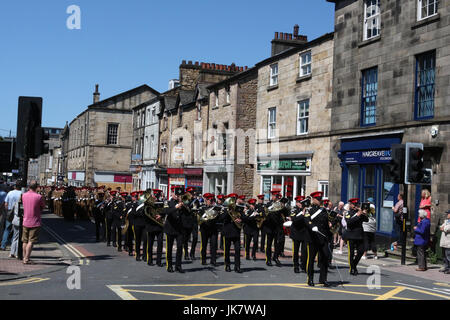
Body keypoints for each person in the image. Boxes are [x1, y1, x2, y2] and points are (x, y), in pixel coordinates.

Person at [304, 191, 332, 287]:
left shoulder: (324, 210)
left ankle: (323, 279)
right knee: (311, 259)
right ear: (313, 199)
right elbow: (307, 221)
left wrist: (329, 235)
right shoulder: (309, 210)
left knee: (325, 257)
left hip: (323, 238)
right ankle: (310, 279)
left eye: (321, 199)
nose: (320, 201)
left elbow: (326, 225)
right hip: (313, 238)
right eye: (318, 199)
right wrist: (312, 227)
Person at [342, 198, 369, 276]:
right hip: (350, 235)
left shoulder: (359, 213)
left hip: (359, 235)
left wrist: (364, 213)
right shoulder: (348, 213)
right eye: (353, 204)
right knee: (351, 253)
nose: (355, 206)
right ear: (350, 205)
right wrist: (358, 215)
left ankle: (354, 264)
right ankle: (352, 269)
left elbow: (366, 220)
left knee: (361, 251)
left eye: (356, 204)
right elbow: (349, 222)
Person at [21, 181, 45, 264]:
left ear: (29, 187)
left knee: (24, 241)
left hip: (25, 221)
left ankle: (24, 257)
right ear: (37, 187)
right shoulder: (39, 196)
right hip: (35, 221)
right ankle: (26, 259)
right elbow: (43, 207)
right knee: (31, 241)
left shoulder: (23, 195)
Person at [3, 182, 22, 257]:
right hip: (18, 215)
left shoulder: (10, 193)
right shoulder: (22, 193)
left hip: (10, 213)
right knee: (17, 233)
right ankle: (14, 250)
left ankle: (3, 245)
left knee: (7, 229)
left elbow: (6, 204)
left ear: (14, 186)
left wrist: (7, 211)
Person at [438, 210, 450, 274]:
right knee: (444, 256)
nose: (447, 215)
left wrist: (444, 228)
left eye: (448, 213)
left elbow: (447, 229)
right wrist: (443, 228)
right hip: (444, 241)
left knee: (448, 256)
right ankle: (446, 267)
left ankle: (449, 268)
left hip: (448, 242)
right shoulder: (446, 221)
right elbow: (441, 227)